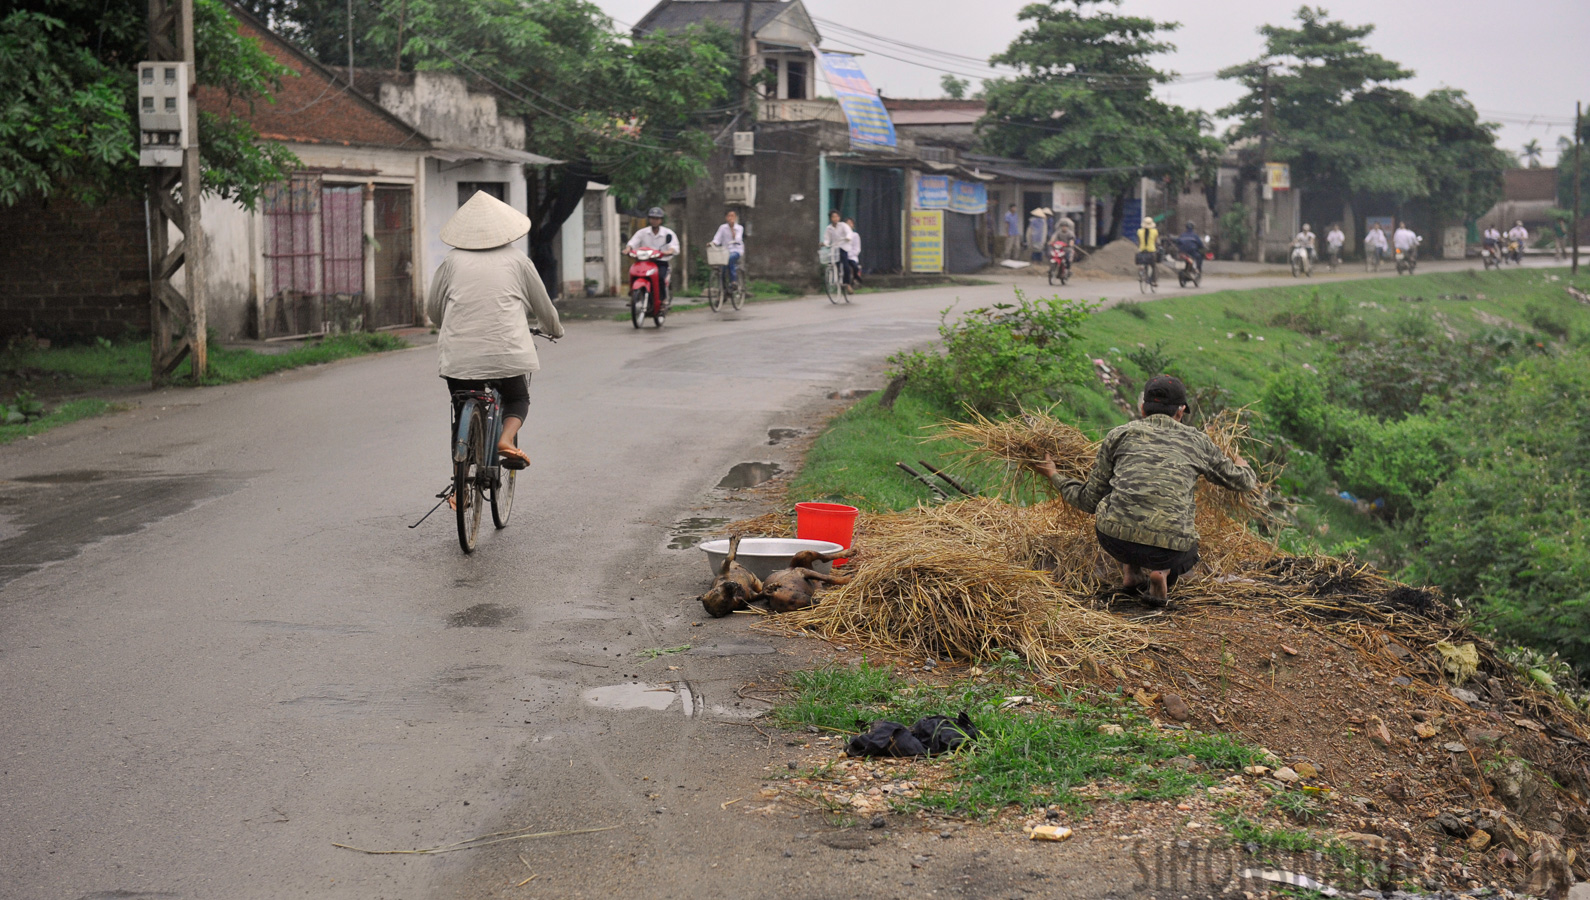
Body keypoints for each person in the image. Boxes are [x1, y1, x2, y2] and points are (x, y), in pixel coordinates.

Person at [1032, 376, 1256, 602]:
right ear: (1180, 412)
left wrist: (1054, 475)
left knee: (1121, 493)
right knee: (1183, 534)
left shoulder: (1119, 435)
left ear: (1142, 409)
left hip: (1115, 541)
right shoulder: (1197, 442)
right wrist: (1241, 463)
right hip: (1169, 551)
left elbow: (1089, 501)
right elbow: (1244, 482)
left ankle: (1131, 574)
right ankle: (1163, 573)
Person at [427, 190, 565, 472]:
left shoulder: (452, 261)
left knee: (462, 404)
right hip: (507, 353)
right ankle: (505, 439)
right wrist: (554, 329)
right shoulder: (518, 260)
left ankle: (460, 483)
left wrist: (450, 324)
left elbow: (433, 309)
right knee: (518, 397)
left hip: (459, 357)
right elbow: (544, 306)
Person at [626, 206, 678, 304]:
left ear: (661, 220)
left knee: (660, 277)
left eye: (657, 219)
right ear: (649, 219)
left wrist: (668, 251)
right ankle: (634, 295)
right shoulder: (642, 232)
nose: (654, 221)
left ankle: (663, 299)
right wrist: (627, 249)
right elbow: (632, 243)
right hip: (644, 262)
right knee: (633, 272)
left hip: (660, 262)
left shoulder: (668, 233)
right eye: (652, 218)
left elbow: (673, 247)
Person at [709, 209, 745, 288]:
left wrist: (732, 229)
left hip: (736, 250)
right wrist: (712, 243)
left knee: (729, 259)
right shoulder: (722, 227)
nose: (730, 218)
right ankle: (723, 290)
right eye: (729, 216)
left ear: (735, 217)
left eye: (732, 216)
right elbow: (717, 238)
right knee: (722, 268)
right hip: (725, 251)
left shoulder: (739, 228)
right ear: (726, 217)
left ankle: (733, 281)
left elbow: (738, 239)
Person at [824, 210, 856, 285]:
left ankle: (846, 283)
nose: (835, 218)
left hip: (843, 247)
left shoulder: (843, 225)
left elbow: (849, 232)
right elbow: (827, 239)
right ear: (830, 218)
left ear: (839, 217)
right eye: (833, 217)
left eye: (836, 216)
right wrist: (825, 243)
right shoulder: (829, 228)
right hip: (834, 248)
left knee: (845, 265)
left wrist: (848, 237)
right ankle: (835, 278)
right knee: (834, 263)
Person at [844, 217, 863, 285]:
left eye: (850, 223)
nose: (849, 225)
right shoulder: (842, 236)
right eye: (847, 223)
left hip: (851, 257)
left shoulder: (855, 235)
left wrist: (849, 254)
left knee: (854, 266)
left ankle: (855, 277)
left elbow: (857, 249)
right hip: (842, 255)